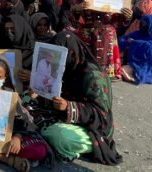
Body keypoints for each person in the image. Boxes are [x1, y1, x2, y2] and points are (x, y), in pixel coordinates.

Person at [23, 32, 122, 165]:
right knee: (25, 100)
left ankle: (69, 146)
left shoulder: (94, 77)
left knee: (60, 136)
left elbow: (101, 116)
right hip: (60, 114)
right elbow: (55, 94)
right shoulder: (64, 68)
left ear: (72, 53)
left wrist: (69, 107)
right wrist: (39, 93)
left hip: (91, 127)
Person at [72, 0, 132, 80]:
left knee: (107, 35)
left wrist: (126, 16)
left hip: (107, 32)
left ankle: (107, 74)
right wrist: (77, 10)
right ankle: (88, 73)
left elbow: (118, 19)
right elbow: (72, 19)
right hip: (87, 32)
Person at [119, 15, 152, 84]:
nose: (143, 26)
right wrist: (123, 41)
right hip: (136, 63)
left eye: (146, 24)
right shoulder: (141, 33)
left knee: (125, 71)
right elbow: (124, 38)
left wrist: (134, 43)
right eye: (142, 24)